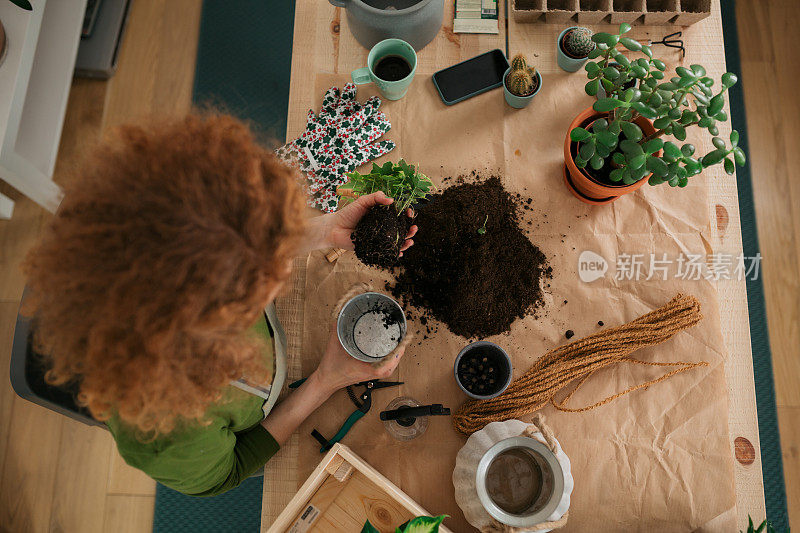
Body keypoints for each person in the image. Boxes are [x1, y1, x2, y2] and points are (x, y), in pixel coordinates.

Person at [22, 114, 417, 496]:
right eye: (263, 276)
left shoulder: (184, 256)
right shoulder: (170, 438)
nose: (283, 266)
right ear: (211, 324)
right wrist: (323, 382)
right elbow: (228, 472)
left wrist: (325, 230)